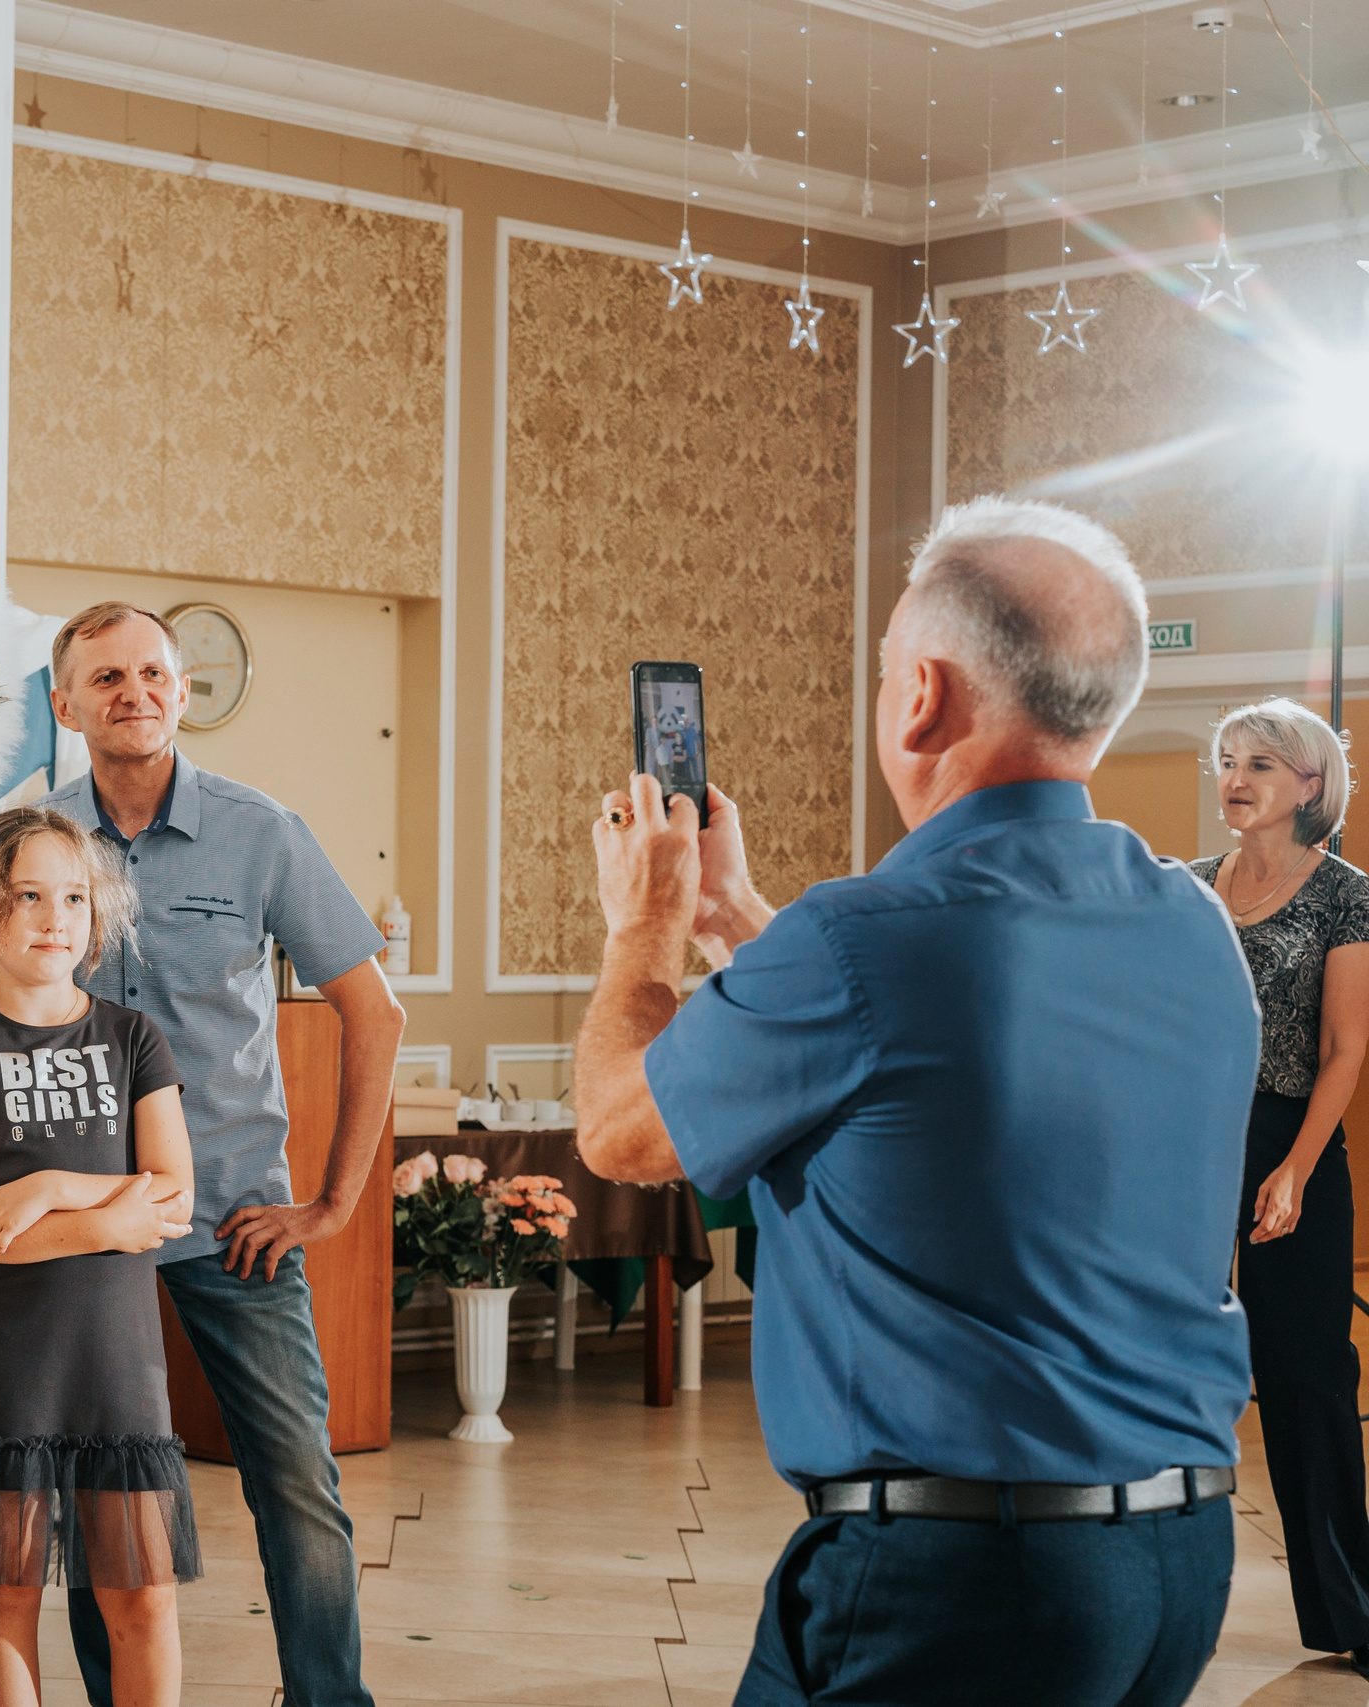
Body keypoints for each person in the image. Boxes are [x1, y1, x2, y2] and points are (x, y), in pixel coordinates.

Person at [573, 496, 1257, 1706]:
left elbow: (621, 1132)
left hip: (957, 1578)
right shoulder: (1189, 918)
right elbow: (925, 1054)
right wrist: (741, 917)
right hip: (1176, 1558)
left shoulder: (862, 940)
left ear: (921, 696)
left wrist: (647, 925)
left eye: (887, 666)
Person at [41, 602, 404, 1707]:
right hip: (89, 1232)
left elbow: (372, 1011)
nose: (134, 693)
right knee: (105, 1494)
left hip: (238, 1221)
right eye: (105, 678)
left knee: (297, 1485)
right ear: (64, 704)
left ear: (181, 692)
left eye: (152, 673)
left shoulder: (262, 831)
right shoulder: (33, 846)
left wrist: (332, 1203)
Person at [0, 806, 203, 1707]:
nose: (55, 917)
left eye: (73, 897)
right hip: (6, 1366)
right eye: (29, 896)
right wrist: (106, 1214)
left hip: (116, 1362)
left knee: (143, 1599)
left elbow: (174, 1196)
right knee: (6, 1595)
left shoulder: (132, 1039)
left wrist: (43, 1190)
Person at [1191, 698, 1369, 1669]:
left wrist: (1293, 1170)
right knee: (1151, 1363)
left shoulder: (1347, 893)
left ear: (1309, 784)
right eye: (1224, 759)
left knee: (1306, 1379)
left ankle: (1351, 1612)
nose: (1234, 777)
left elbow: (1344, 1049)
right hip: (1180, 1143)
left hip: (1288, 1137)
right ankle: (1127, 1585)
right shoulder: (1178, 887)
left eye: (1259, 762)